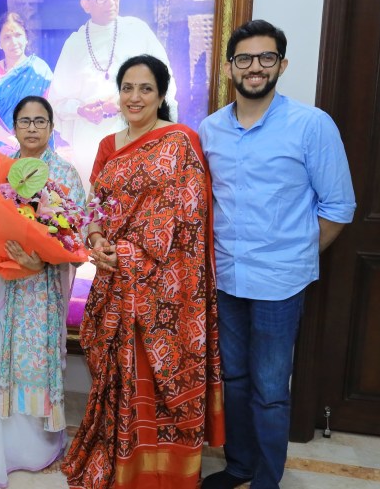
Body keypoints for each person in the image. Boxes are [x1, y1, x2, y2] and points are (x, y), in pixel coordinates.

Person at [198, 20, 356, 489]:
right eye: (244, 58)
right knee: (236, 381)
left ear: (282, 64)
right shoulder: (210, 130)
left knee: (269, 393)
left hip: (279, 286)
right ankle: (240, 466)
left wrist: (295, 255)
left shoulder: (310, 125)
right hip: (225, 278)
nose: (255, 67)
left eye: (266, 58)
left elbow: (339, 207)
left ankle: (267, 480)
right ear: (230, 67)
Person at [62, 55, 224, 489]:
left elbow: (188, 217)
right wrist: (96, 241)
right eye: (128, 87)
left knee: (155, 379)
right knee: (120, 377)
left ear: (161, 94)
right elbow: (94, 207)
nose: (135, 97)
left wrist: (131, 253)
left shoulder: (180, 141)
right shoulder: (108, 146)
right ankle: (120, 464)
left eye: (145, 88)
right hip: (114, 282)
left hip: (165, 290)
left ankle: (165, 474)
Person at [0, 96, 86, 487]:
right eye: (25, 121)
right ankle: (3, 447)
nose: (32, 128)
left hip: (42, 291)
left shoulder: (65, 174)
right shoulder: (1, 170)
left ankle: (38, 447)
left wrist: (40, 262)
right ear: (13, 127)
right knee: (1, 359)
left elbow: (76, 239)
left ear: (51, 127)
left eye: (40, 121)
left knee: (35, 361)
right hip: (2, 287)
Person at [47, 0, 178, 189]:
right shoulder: (74, 44)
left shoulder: (138, 30)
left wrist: (122, 103)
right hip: (90, 139)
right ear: (85, 4)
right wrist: (82, 110)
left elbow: (165, 83)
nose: (110, 1)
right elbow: (57, 102)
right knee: (96, 204)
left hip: (135, 131)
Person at [0, 12, 53, 165]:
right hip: (0, 150)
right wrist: (14, 143)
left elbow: (49, 116)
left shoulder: (40, 70)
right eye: (7, 37)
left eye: (18, 35)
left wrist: (29, 144)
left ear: (26, 38)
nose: (14, 42)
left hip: (35, 148)